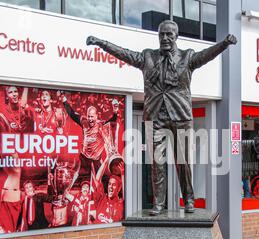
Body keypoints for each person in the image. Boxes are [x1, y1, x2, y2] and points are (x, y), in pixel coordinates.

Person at [87, 20, 237, 215]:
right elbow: (124, 54)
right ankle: (159, 203)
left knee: (182, 162)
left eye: (168, 34)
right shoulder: (148, 57)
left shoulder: (187, 57)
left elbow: (206, 55)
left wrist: (224, 44)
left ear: (176, 36)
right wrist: (102, 43)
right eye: (161, 35)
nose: (165, 38)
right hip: (154, 117)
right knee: (157, 163)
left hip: (181, 116)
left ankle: (189, 199)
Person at [58, 91, 110, 175]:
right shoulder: (84, 122)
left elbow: (112, 122)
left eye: (92, 116)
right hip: (84, 159)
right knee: (78, 178)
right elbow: (72, 114)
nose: (90, 119)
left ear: (96, 116)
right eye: (88, 116)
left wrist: (115, 112)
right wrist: (64, 100)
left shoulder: (101, 125)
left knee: (99, 181)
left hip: (96, 160)